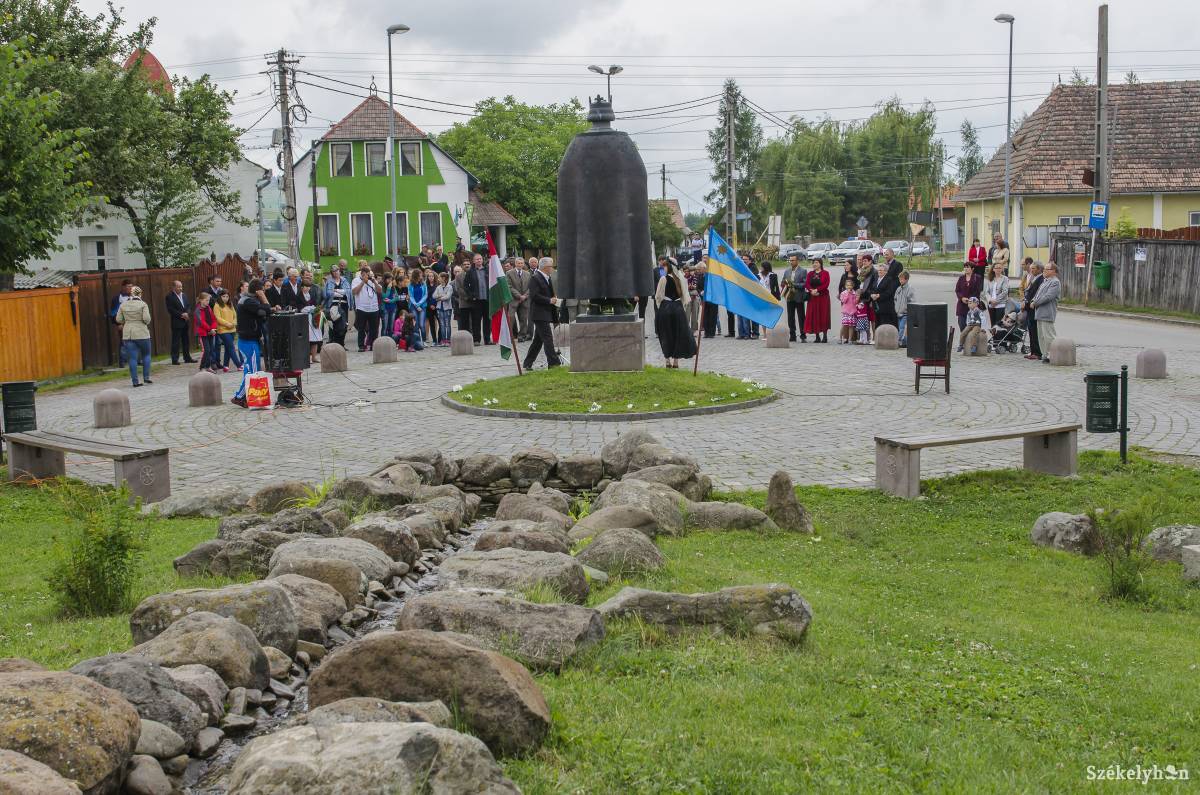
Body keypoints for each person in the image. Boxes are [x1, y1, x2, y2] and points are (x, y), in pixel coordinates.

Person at [654, 258, 697, 368]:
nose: (663, 267)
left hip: (666, 308)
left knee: (665, 334)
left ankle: (667, 360)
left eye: (664, 266)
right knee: (678, 334)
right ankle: (676, 362)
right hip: (678, 309)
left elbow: (658, 296)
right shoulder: (681, 279)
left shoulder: (663, 279)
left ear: (668, 266)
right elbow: (684, 297)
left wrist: (661, 307)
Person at [232, 279, 269, 407]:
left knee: (250, 370)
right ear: (258, 290)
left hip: (248, 339)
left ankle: (244, 396)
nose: (264, 291)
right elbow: (266, 310)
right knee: (253, 372)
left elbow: (263, 311)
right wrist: (264, 299)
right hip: (248, 341)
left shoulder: (249, 300)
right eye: (262, 289)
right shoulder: (248, 301)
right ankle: (239, 396)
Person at [522, 257, 562, 370]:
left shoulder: (546, 278)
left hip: (545, 313)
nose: (552, 269)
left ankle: (527, 363)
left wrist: (553, 299)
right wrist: (549, 300)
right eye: (551, 266)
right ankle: (554, 363)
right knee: (548, 338)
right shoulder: (536, 278)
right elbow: (534, 296)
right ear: (546, 267)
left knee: (538, 341)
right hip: (539, 314)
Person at [115, 286, 153, 387]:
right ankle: (146, 378)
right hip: (142, 333)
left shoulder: (123, 305)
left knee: (132, 358)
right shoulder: (143, 304)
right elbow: (147, 319)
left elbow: (118, 319)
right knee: (146, 355)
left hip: (128, 334)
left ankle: (135, 381)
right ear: (140, 294)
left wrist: (127, 321)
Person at [1030, 262, 1060, 363]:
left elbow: (1048, 296)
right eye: (1044, 269)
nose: (1044, 271)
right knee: (1041, 336)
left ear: (1054, 272)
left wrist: (1035, 303)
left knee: (1049, 336)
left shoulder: (1055, 282)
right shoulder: (1044, 281)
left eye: (1047, 269)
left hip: (1047, 312)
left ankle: (1053, 354)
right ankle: (1045, 354)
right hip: (1039, 312)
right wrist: (1033, 300)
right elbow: (1038, 294)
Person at [351, 262, 381, 351]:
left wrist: (374, 281)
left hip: (374, 308)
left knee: (374, 328)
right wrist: (363, 282)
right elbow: (354, 292)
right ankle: (361, 346)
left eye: (369, 274)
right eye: (366, 274)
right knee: (361, 328)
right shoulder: (356, 280)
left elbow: (380, 291)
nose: (368, 276)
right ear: (362, 274)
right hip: (362, 308)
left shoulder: (373, 280)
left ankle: (373, 345)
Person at [954, 263, 983, 351]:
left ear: (972, 269)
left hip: (972, 305)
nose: (966, 269)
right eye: (965, 267)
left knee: (973, 325)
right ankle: (964, 343)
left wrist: (971, 300)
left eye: (968, 267)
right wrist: (962, 298)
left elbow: (978, 291)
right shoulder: (961, 278)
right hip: (962, 305)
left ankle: (973, 344)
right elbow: (957, 290)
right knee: (962, 324)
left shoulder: (977, 278)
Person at [165, 280, 195, 364]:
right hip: (177, 322)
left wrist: (187, 313)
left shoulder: (184, 295)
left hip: (185, 321)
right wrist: (181, 314)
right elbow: (170, 309)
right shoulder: (169, 296)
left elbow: (188, 306)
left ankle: (187, 357)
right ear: (173, 287)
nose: (180, 288)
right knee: (176, 341)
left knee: (186, 340)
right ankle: (175, 359)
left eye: (181, 286)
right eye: (178, 287)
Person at [872, 248, 902, 330]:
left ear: (892, 254)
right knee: (879, 322)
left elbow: (897, 280)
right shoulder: (883, 266)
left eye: (887, 254)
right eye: (884, 254)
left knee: (888, 321)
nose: (885, 256)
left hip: (890, 296)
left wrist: (890, 289)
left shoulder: (897, 265)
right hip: (878, 303)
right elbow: (874, 287)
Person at [323, 265, 352, 347]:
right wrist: (340, 292)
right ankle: (336, 344)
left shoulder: (344, 280)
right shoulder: (329, 281)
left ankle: (341, 343)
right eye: (334, 271)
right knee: (335, 325)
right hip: (334, 305)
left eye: (337, 271)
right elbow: (328, 293)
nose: (336, 273)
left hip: (344, 305)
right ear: (332, 273)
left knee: (344, 325)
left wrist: (337, 290)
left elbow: (348, 292)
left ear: (339, 271)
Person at [463, 253, 489, 344]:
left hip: (487, 299)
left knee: (487, 320)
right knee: (476, 321)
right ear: (473, 261)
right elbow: (465, 286)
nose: (479, 260)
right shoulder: (470, 272)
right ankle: (476, 340)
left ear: (482, 260)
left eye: (480, 259)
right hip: (476, 300)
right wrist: (471, 296)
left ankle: (487, 339)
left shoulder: (487, 270)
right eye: (477, 259)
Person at [803, 259, 831, 343]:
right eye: (813, 263)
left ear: (820, 264)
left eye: (816, 263)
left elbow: (826, 283)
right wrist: (812, 290)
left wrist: (817, 290)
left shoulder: (825, 273)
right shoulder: (810, 274)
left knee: (823, 314)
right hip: (813, 297)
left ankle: (825, 336)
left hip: (823, 297)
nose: (814, 264)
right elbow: (807, 283)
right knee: (814, 315)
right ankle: (817, 336)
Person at [781, 255, 808, 342]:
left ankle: (803, 335)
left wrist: (794, 285)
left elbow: (804, 284)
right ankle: (792, 335)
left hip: (799, 296)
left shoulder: (803, 271)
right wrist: (785, 284)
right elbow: (783, 282)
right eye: (790, 260)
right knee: (790, 317)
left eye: (793, 260)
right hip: (789, 296)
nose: (791, 262)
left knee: (801, 316)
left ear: (797, 261)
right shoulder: (787, 271)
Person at [299, 270, 324, 363]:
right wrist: (309, 308)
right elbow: (300, 308)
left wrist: (316, 309)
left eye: (309, 287)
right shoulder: (299, 296)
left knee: (315, 338)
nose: (307, 289)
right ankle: (307, 358)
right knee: (307, 339)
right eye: (305, 287)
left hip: (313, 318)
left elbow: (315, 304)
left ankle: (314, 357)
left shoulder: (311, 295)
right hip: (304, 319)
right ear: (302, 287)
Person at [213, 289, 241, 371]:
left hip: (232, 329)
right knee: (231, 347)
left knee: (228, 348)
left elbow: (235, 315)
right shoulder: (217, 305)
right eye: (223, 296)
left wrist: (234, 323)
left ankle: (225, 366)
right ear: (220, 297)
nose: (225, 298)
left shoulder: (230, 304)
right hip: (223, 330)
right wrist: (227, 324)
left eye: (227, 296)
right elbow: (218, 318)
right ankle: (239, 365)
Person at [1022, 261, 1045, 360]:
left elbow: (1036, 294)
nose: (1031, 270)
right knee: (1030, 330)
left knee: (1035, 330)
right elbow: (1027, 291)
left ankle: (1038, 352)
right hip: (1028, 306)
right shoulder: (1033, 277)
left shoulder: (1041, 279)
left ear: (1039, 269)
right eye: (1031, 268)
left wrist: (1028, 302)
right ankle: (1033, 351)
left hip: (1034, 308)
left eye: (1033, 268)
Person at [109, 279, 134, 366]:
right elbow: (113, 312)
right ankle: (122, 361)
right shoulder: (117, 299)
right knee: (124, 342)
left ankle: (137, 360)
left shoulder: (134, 297)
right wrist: (118, 323)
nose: (130, 288)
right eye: (128, 286)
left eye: (131, 286)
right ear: (123, 287)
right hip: (123, 323)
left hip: (134, 322)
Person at [193, 292, 219, 372]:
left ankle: (208, 366)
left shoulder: (209, 308)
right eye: (206, 300)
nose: (208, 302)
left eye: (208, 300)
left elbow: (214, 319)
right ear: (201, 300)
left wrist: (213, 328)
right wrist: (209, 329)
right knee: (206, 350)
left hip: (211, 332)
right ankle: (202, 367)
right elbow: (201, 322)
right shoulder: (198, 310)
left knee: (211, 350)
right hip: (203, 333)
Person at [983, 260, 1011, 327]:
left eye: (1000, 268)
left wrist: (996, 301)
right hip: (991, 304)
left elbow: (1005, 291)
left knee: (999, 324)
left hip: (1001, 304)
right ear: (993, 269)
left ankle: (999, 337)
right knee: (993, 324)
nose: (998, 269)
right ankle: (993, 337)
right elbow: (986, 292)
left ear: (1002, 269)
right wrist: (990, 300)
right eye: (996, 268)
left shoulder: (1005, 279)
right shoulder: (990, 279)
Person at [894, 270, 915, 347]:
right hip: (898, 312)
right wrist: (896, 307)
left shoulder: (910, 288)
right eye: (899, 279)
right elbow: (895, 299)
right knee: (900, 328)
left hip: (905, 313)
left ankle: (899, 342)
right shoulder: (899, 289)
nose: (900, 281)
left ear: (906, 279)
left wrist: (908, 309)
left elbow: (912, 301)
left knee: (902, 328)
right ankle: (905, 342)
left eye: (902, 279)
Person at [408, 266, 428, 344]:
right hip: (413, 306)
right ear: (416, 275)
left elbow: (425, 295)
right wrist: (416, 305)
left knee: (421, 324)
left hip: (422, 306)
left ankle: (424, 340)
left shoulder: (423, 283)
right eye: (420, 275)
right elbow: (411, 296)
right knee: (415, 325)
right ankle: (417, 341)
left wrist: (419, 304)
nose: (421, 276)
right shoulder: (410, 285)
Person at [432, 272, 454, 346]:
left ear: (443, 278)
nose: (438, 279)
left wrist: (439, 298)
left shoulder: (449, 287)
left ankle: (448, 340)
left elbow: (447, 297)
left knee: (447, 324)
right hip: (439, 308)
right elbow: (434, 296)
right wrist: (442, 295)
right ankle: (443, 340)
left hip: (447, 308)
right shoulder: (438, 287)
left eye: (439, 277)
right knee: (442, 324)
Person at [838, 276, 859, 344]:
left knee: (851, 326)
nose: (849, 287)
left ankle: (850, 339)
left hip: (852, 312)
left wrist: (856, 297)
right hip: (846, 312)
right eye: (847, 285)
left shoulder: (854, 293)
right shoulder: (843, 293)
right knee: (844, 325)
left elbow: (855, 302)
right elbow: (843, 301)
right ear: (845, 286)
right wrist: (847, 294)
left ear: (852, 286)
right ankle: (840, 338)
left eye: (850, 285)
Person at [380, 274, 400, 340]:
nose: (390, 281)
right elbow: (385, 296)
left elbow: (397, 298)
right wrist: (388, 288)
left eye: (391, 279)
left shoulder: (393, 288)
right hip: (385, 309)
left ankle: (390, 341)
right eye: (388, 279)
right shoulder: (382, 287)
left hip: (393, 308)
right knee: (385, 326)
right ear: (385, 279)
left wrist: (391, 301)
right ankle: (383, 341)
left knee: (391, 326)